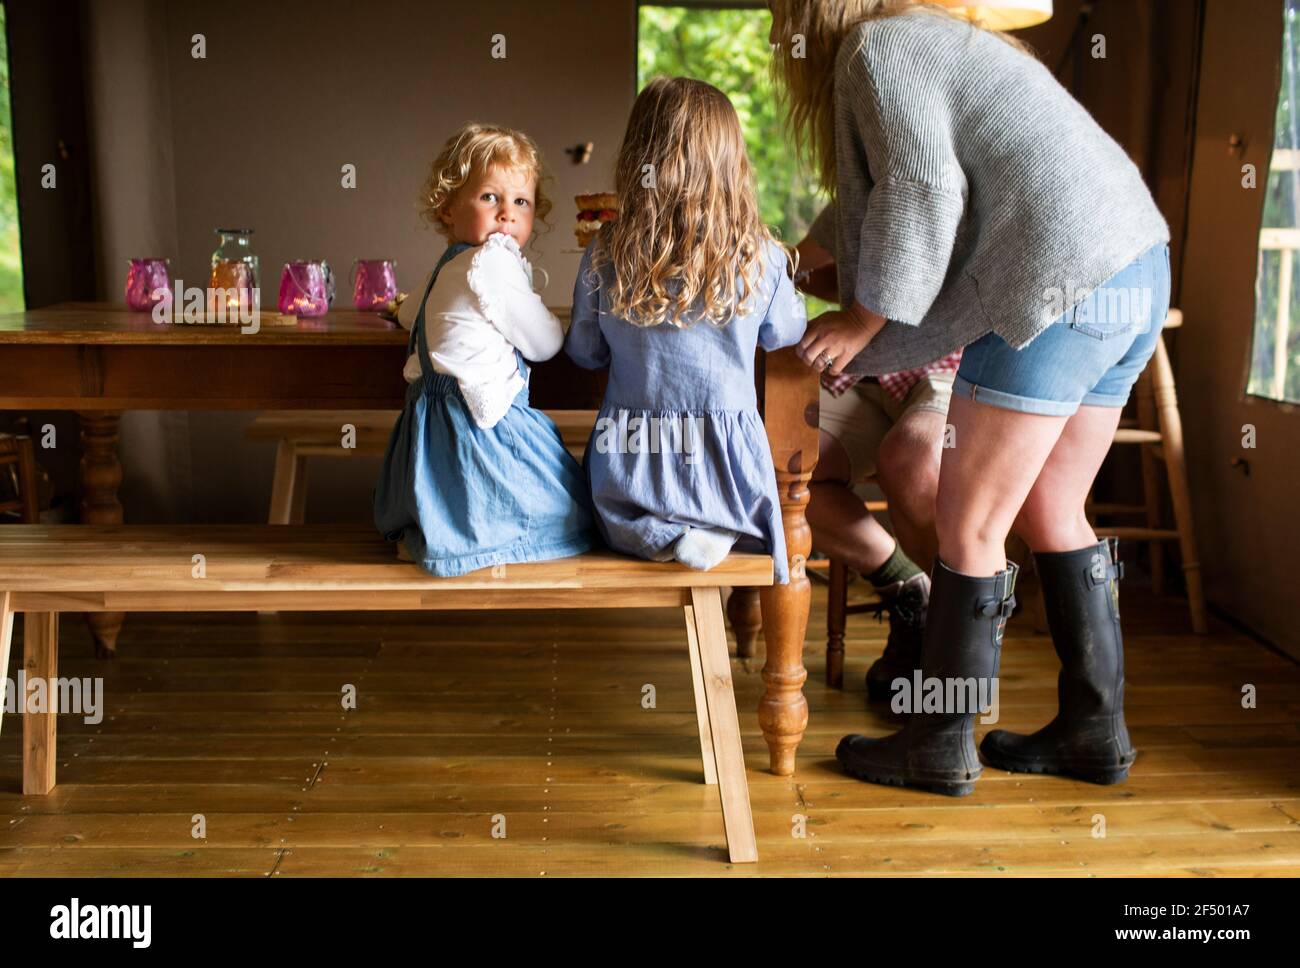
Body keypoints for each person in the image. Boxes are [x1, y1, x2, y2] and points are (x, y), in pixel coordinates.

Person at [770, 0, 1170, 795]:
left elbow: (921, 188)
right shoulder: (955, 42)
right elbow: (901, 201)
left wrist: (862, 318)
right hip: (1137, 263)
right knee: (1055, 508)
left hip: (1058, 275)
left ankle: (939, 743)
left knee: (969, 522)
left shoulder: (880, 46)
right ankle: (1096, 732)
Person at [565, 77, 807, 579]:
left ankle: (659, 534)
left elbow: (585, 351)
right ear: (733, 166)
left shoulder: (607, 251)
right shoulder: (758, 255)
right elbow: (783, 332)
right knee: (743, 501)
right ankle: (714, 526)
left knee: (609, 516)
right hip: (726, 470)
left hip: (631, 462)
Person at [374, 123, 597, 576]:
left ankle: (429, 529)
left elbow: (407, 311)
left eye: (521, 202)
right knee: (575, 513)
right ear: (448, 207)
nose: (506, 215)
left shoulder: (445, 266)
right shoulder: (493, 261)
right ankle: (481, 541)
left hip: (428, 436)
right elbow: (545, 343)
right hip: (480, 434)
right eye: (489, 198)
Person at [798, 219, 957, 701]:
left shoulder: (931, 167)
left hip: (945, 360)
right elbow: (807, 267)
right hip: (867, 368)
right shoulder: (852, 186)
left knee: (911, 460)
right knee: (781, 469)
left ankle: (951, 640)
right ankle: (908, 588)